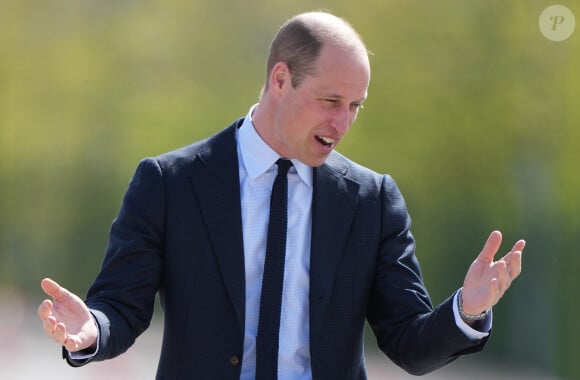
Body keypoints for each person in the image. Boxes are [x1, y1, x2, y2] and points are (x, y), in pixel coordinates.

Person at [38, 11, 525, 379]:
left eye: (356, 105)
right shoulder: (170, 183)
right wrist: (93, 330)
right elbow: (121, 308)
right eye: (330, 101)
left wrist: (468, 310)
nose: (343, 122)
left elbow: (409, 342)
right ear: (280, 79)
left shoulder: (371, 201)